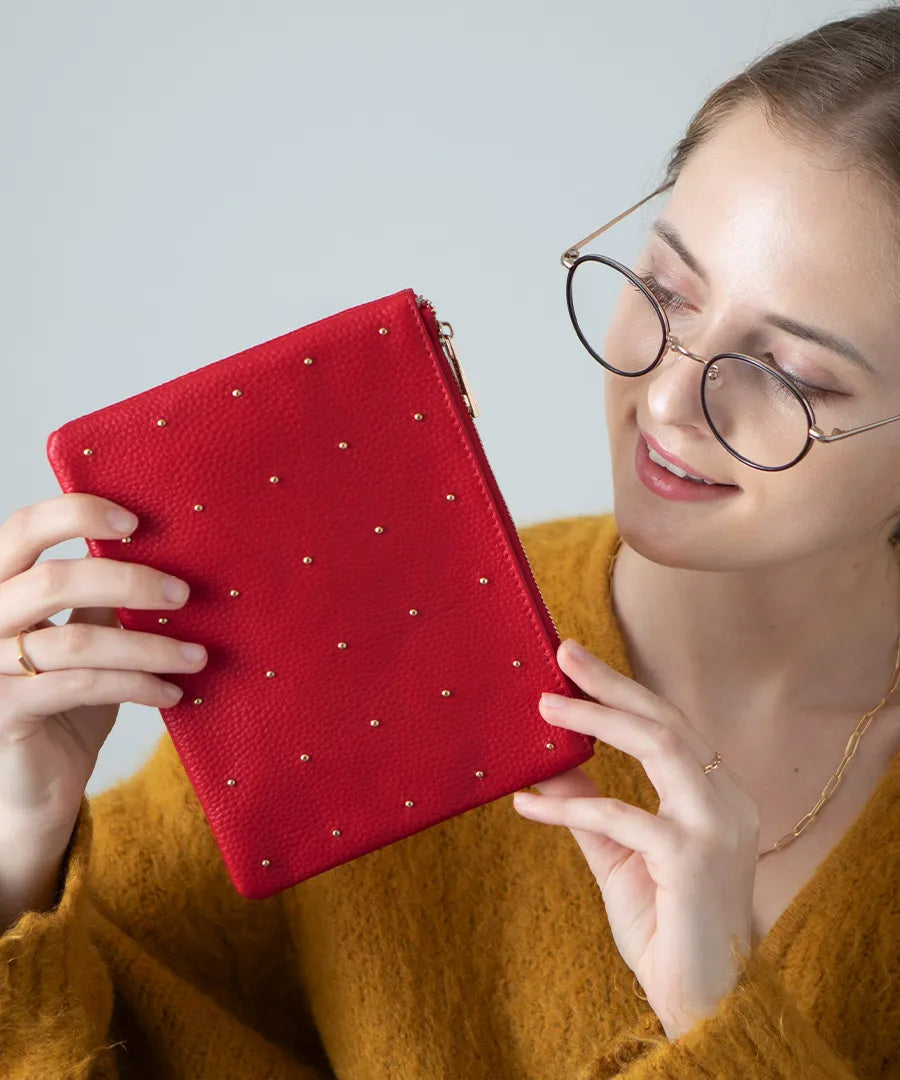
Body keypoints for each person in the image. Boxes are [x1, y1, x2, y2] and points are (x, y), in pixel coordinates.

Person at [1, 5, 899, 1076]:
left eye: (791, 375)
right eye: (664, 290)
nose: (666, 400)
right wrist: (19, 853)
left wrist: (721, 1023)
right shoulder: (364, 647)